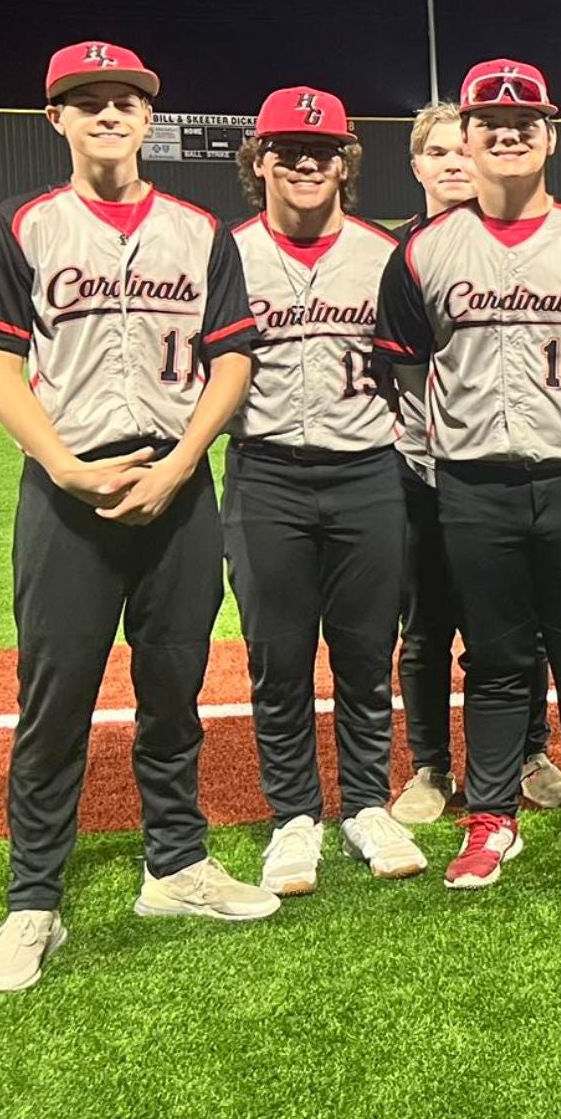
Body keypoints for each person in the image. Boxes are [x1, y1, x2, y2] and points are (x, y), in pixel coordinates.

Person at [0, 42, 277, 993]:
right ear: (54, 118)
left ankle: (176, 866)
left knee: (175, 686)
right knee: (54, 701)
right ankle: (33, 903)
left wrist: (184, 464)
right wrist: (61, 465)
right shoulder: (17, 224)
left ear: (149, 118)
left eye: (125, 101)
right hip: (66, 493)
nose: (108, 115)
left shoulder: (199, 230)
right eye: (86, 102)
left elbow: (232, 358)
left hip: (177, 489)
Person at [375, 59, 561, 891]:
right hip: (473, 482)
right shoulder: (425, 251)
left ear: (550, 137)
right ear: (466, 140)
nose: (507, 134)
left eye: (525, 124)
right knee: (498, 658)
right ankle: (492, 814)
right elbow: (402, 363)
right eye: (489, 125)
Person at [222, 86, 426, 896]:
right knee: (278, 656)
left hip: (368, 470)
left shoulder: (383, 253)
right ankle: (294, 816)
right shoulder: (226, 251)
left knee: (366, 652)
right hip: (265, 471)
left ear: (346, 162)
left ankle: (367, 803)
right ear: (259, 161)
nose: (306, 162)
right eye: (287, 149)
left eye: (323, 150)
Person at [388, 104, 561, 826]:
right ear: (419, 167)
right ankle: (431, 765)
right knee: (426, 625)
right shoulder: (394, 253)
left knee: (521, 623)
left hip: (505, 471)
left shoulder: (521, 248)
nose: (453, 163)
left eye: (460, 149)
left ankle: (529, 752)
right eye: (436, 153)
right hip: (418, 468)